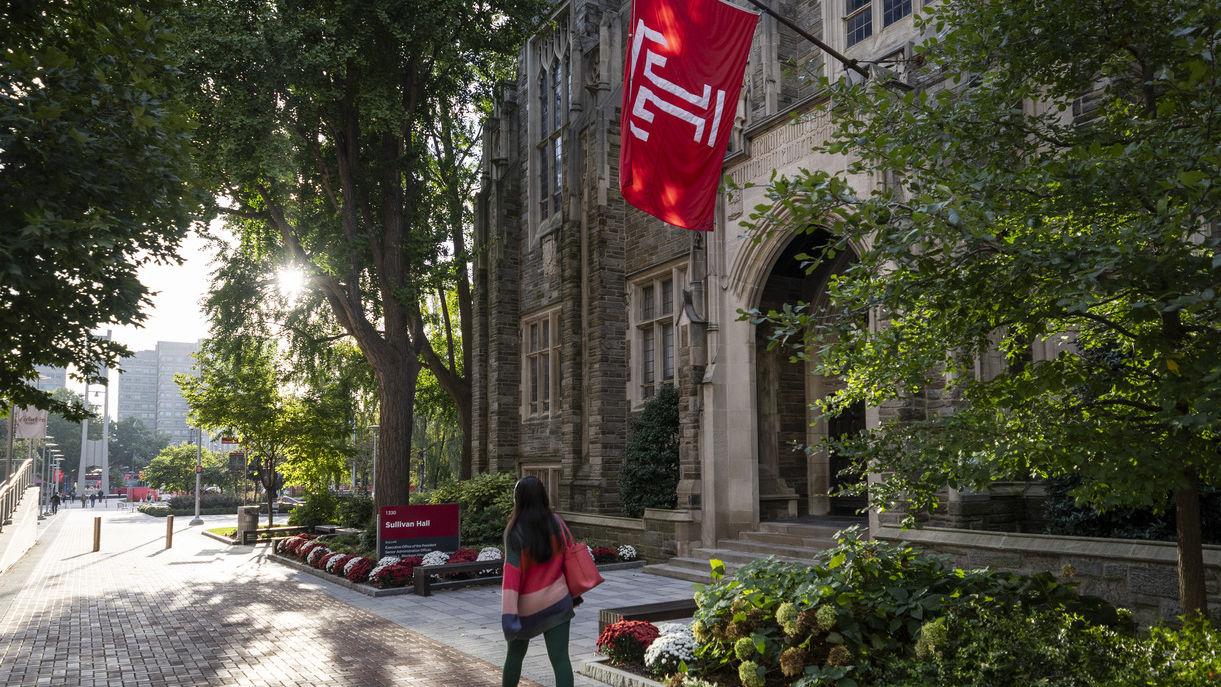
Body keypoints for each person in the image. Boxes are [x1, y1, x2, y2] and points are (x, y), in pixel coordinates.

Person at [500, 476, 576, 687]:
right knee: (561, 660)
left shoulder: (514, 532)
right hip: (558, 601)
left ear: (519, 499)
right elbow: (568, 558)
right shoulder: (557, 522)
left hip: (527, 608)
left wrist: (509, 617)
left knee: (514, 657)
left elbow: (511, 578)